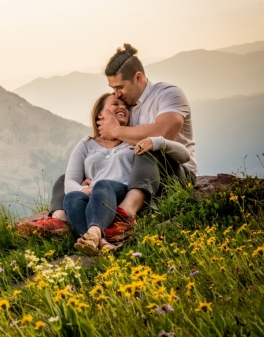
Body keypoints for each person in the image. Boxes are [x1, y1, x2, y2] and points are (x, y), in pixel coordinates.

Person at [24, 44, 198, 241]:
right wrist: (88, 181)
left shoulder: (168, 94)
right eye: (112, 89)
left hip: (173, 172)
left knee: (148, 148)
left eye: (120, 87)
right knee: (67, 179)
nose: (116, 94)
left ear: (138, 77)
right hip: (141, 177)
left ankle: (126, 214)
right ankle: (61, 221)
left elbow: (164, 133)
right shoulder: (127, 109)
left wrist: (115, 129)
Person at [63, 93, 190, 254]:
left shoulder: (134, 138)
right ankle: (101, 243)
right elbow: (69, 182)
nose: (122, 107)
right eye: (115, 104)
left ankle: (94, 232)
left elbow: (184, 155)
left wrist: (156, 142)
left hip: (123, 192)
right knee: (72, 198)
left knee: (102, 185)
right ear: (100, 114)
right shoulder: (86, 144)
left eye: (125, 106)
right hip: (96, 198)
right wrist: (82, 190)